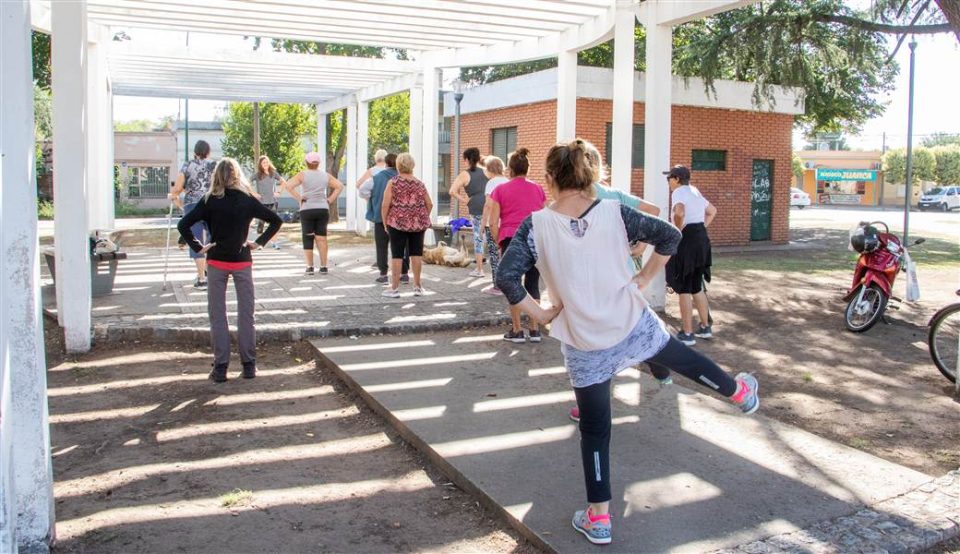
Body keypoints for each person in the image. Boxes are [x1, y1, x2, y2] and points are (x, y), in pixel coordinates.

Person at [495, 139, 759, 546]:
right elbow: (670, 236)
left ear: (549, 179)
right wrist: (645, 277)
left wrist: (543, 314)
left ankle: (599, 517)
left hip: (582, 338)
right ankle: (738, 392)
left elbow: (507, 278)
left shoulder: (535, 226)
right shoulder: (615, 213)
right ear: (593, 177)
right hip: (630, 320)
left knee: (596, 429)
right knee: (682, 358)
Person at [177, 157, 282, 383]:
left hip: (216, 262)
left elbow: (182, 224)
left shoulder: (209, 200)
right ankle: (248, 365)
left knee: (217, 315)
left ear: (217, 175)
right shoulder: (247, 199)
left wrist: (199, 247)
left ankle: (221, 367)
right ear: (237, 175)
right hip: (243, 260)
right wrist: (258, 242)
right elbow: (276, 220)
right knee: (246, 314)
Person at [488, 148, 546, 343]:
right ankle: (535, 329)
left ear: (510, 169)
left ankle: (517, 329)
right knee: (532, 284)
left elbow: (492, 222)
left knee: (513, 283)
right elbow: (543, 216)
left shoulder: (500, 190)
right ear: (527, 169)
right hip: (534, 239)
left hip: (511, 238)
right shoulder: (538, 189)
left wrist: (499, 241)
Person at [664, 165, 716, 346]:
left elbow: (679, 212)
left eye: (669, 178)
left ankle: (687, 333)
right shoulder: (694, 191)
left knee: (684, 287)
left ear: (677, 178)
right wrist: (700, 228)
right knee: (696, 285)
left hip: (687, 240)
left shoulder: (679, 192)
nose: (668, 182)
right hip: (701, 239)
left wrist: (678, 230)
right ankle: (705, 327)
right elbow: (712, 211)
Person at [380, 153, 432, 298]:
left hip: (397, 222)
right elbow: (429, 203)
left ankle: (394, 288)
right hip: (417, 223)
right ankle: (417, 286)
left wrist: (385, 222)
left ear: (398, 165)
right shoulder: (419, 183)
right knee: (416, 253)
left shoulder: (393, 182)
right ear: (412, 166)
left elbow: (385, 205)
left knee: (397, 254)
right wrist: (421, 215)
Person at [284, 152, 344, 275]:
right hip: (322, 208)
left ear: (307, 163)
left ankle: (310, 267)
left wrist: (299, 198)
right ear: (318, 163)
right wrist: (330, 200)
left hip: (307, 209)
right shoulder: (325, 175)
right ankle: (323, 266)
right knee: (322, 237)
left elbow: (289, 186)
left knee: (308, 237)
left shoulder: (302, 175)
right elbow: (339, 186)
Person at [168, 140, 216, 289]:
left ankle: (202, 279)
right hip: (211, 204)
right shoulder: (214, 165)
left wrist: (174, 194)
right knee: (212, 238)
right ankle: (209, 271)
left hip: (192, 206)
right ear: (208, 152)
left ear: (195, 152)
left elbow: (178, 186)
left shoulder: (187, 165)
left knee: (196, 240)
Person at [366, 153, 410, 284]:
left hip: (381, 217)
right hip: (401, 219)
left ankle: (383, 274)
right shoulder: (406, 178)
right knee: (402, 246)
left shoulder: (376, 178)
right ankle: (404, 273)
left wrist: (372, 198)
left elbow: (363, 190)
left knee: (381, 246)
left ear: (386, 163)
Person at [449, 147, 489, 277]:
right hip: (490, 205)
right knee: (491, 236)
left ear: (466, 159)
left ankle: (479, 269)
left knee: (478, 236)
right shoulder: (486, 171)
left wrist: (465, 200)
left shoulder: (464, 174)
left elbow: (452, 191)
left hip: (476, 206)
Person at [481, 155, 509, 295]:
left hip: (493, 223)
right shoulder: (507, 181)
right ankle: (507, 285)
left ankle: (497, 286)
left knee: (494, 254)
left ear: (489, 169)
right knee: (504, 255)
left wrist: (482, 224)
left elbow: (488, 206)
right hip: (505, 223)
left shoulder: (491, 183)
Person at [251, 155, 287, 248]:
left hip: (272, 202)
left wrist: (278, 192)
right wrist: (254, 194)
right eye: (263, 163)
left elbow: (283, 182)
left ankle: (275, 243)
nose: (265, 164)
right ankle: (259, 244)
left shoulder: (273, 173)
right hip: (262, 203)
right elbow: (247, 183)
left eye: (267, 162)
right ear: (260, 164)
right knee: (261, 224)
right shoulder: (257, 175)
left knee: (274, 223)